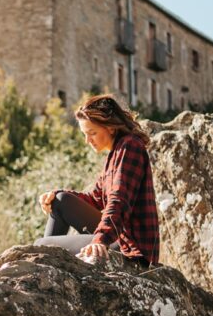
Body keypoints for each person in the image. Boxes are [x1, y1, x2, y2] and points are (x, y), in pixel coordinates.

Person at [35, 94, 159, 269]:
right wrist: (53, 195)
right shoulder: (114, 154)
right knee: (61, 199)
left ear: (110, 127)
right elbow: (95, 199)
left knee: (43, 246)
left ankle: (41, 269)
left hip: (131, 248)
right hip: (118, 237)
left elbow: (119, 201)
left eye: (92, 133)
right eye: (85, 135)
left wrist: (100, 239)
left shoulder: (130, 147)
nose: (88, 141)